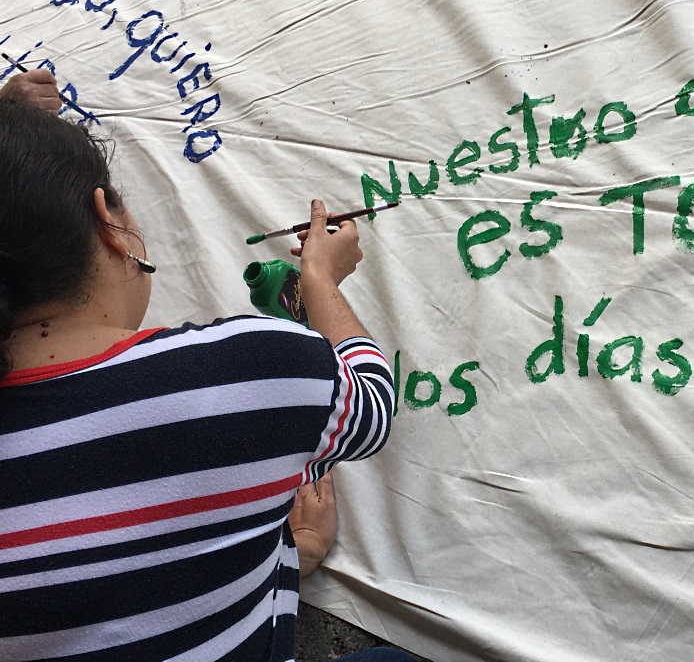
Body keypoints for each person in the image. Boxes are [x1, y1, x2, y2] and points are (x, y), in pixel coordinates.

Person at [0, 98, 420, 662]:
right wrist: (321, 278)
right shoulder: (245, 369)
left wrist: (293, 553)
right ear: (108, 222)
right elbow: (372, 402)